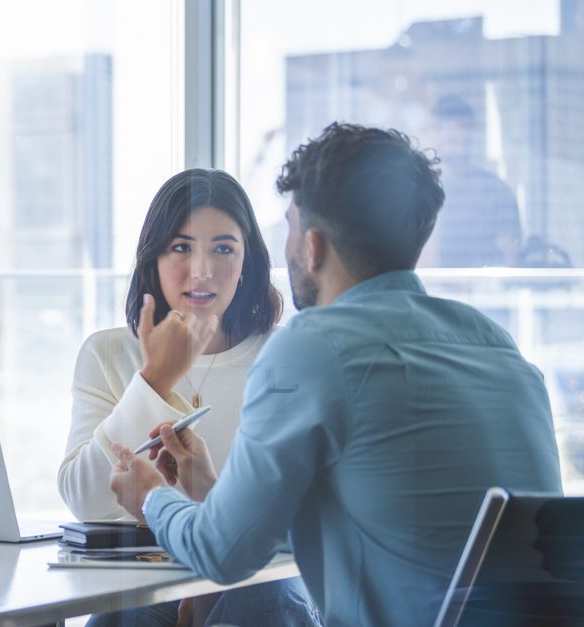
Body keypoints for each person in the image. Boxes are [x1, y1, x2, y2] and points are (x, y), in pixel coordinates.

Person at [108, 123, 562, 627]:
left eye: (290, 228)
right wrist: (215, 493)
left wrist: (151, 496)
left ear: (313, 245)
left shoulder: (313, 347)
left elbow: (222, 555)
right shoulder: (498, 347)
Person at [59, 169, 318, 626]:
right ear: (153, 260)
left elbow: (305, 521)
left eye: (223, 248)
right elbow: (86, 500)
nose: (201, 269)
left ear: (248, 264)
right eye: (181, 248)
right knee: (127, 615)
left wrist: (212, 585)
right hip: (147, 577)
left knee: (267, 599)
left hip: (262, 577)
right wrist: (155, 381)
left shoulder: (288, 354)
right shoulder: (107, 352)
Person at [422, 95, 522, 267]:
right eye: (452, 141)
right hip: (428, 290)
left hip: (483, 291)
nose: (460, 150)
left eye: (466, 142)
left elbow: (511, 258)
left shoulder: (496, 191)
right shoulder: (416, 192)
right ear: (434, 137)